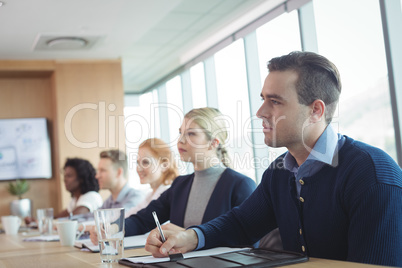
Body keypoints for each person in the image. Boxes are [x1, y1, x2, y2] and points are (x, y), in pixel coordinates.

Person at [145, 51, 402, 267]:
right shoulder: (280, 170)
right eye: (263, 99)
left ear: (315, 110)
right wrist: (191, 238)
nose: (260, 112)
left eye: (275, 101)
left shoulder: (372, 174)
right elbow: (242, 223)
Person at [91, 107, 256, 244]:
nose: (180, 141)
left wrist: (189, 236)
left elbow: (248, 240)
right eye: (180, 133)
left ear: (213, 143)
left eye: (191, 134)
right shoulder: (180, 185)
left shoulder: (240, 185)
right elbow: (143, 220)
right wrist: (111, 228)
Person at [125, 138, 179, 217]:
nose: (138, 168)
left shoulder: (166, 194)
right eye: (138, 162)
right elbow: (129, 216)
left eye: (145, 162)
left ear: (164, 165)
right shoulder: (149, 195)